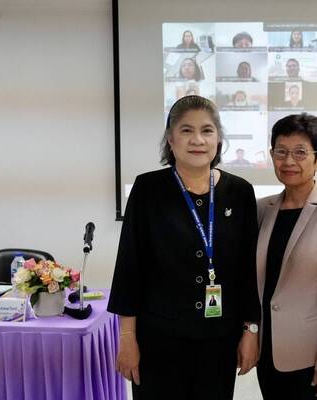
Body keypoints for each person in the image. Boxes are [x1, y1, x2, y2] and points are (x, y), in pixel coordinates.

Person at [108, 95, 260, 400]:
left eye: (207, 130)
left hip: (219, 338)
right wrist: (127, 337)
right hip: (158, 338)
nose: (198, 140)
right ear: (170, 138)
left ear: (218, 138)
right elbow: (130, 266)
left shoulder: (240, 192)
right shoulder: (148, 189)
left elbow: (248, 270)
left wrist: (250, 331)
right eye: (186, 130)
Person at [256, 113, 317, 400]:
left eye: (300, 152)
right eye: (281, 152)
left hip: (314, 358)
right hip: (268, 352)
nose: (289, 161)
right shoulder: (261, 210)